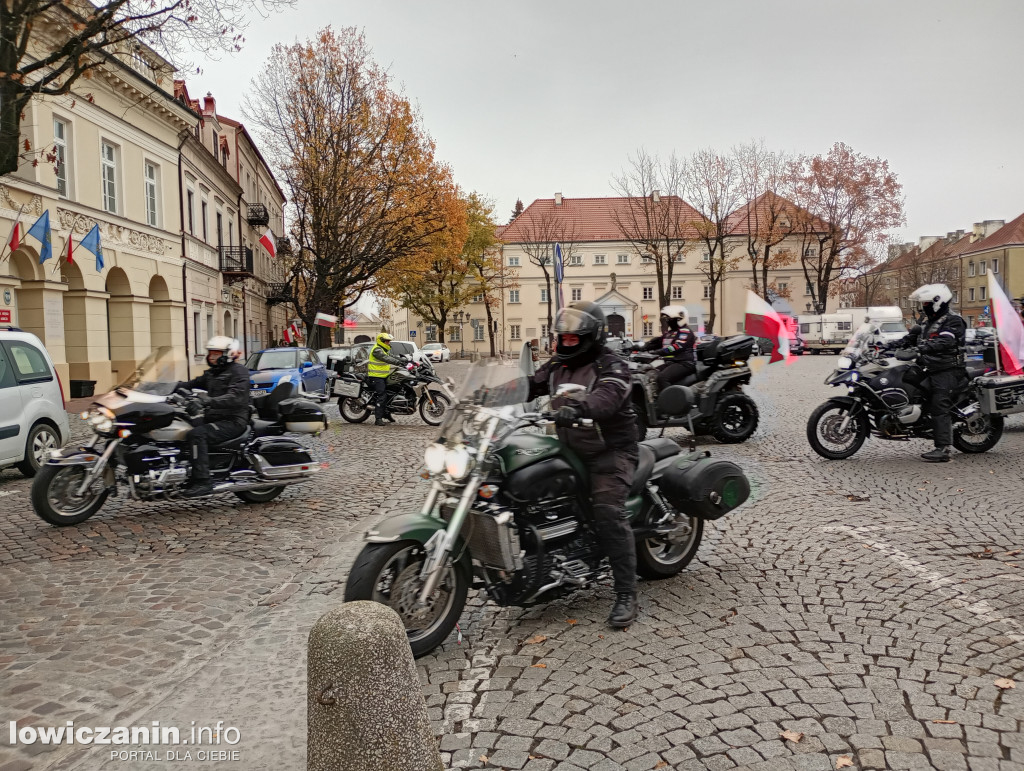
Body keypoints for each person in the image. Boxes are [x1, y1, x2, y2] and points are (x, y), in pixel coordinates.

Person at [527, 301, 640, 628]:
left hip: (611, 451)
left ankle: (626, 593)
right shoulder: (558, 365)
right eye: (562, 337)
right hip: (570, 449)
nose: (565, 342)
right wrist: (485, 395)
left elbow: (608, 397)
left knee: (607, 510)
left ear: (592, 335)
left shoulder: (612, 365)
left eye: (573, 338)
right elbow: (530, 383)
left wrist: (579, 408)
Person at [896, 284, 967, 462]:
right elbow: (911, 338)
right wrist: (888, 346)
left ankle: (943, 449)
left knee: (939, 402)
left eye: (927, 303)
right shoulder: (927, 321)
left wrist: (920, 350)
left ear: (938, 302)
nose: (924, 306)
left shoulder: (953, 320)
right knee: (906, 381)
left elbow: (945, 342)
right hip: (930, 367)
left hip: (948, 369)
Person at [176, 336, 251, 497]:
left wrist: (208, 401)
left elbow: (235, 396)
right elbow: (190, 384)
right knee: (182, 425)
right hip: (215, 418)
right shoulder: (213, 373)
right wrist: (165, 387)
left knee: (197, 434)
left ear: (228, 354)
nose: (212, 357)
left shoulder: (239, 372)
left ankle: (203, 481)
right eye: (211, 353)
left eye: (216, 354)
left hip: (233, 420)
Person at [641, 305, 697, 392]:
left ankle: (670, 402)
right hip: (672, 362)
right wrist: (641, 347)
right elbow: (656, 343)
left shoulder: (685, 332)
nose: (668, 321)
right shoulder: (670, 333)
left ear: (679, 319)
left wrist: (657, 352)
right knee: (650, 373)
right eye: (667, 319)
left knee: (663, 378)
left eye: (670, 319)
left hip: (684, 363)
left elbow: (676, 347)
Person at [367, 332, 403, 426]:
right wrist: (398, 363)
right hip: (376, 376)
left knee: (392, 392)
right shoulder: (377, 350)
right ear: (381, 341)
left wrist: (405, 360)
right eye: (387, 341)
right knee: (382, 395)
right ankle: (378, 418)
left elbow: (391, 356)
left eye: (389, 341)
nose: (389, 343)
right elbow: (386, 358)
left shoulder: (384, 350)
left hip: (383, 376)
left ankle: (386, 414)